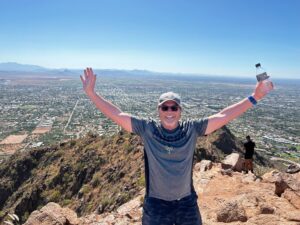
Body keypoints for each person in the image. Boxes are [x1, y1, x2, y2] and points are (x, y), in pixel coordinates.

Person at [80, 68, 273, 225]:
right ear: (159, 111)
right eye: (165, 107)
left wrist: (255, 97)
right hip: (156, 204)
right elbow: (117, 114)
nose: (169, 111)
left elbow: (223, 116)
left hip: (186, 202)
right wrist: (92, 94)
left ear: (180, 111)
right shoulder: (147, 129)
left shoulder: (192, 129)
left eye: (174, 108)